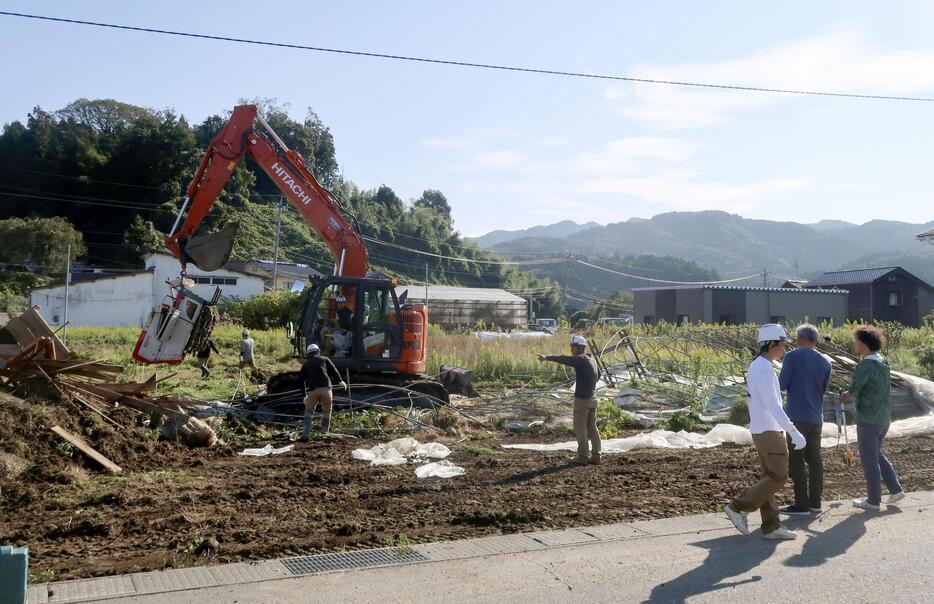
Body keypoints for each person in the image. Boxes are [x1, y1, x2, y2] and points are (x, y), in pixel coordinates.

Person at [725, 324, 807, 540]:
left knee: (768, 478)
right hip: (770, 431)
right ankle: (737, 507)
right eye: (782, 345)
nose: (784, 350)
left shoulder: (760, 366)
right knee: (779, 477)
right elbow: (773, 405)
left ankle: (771, 526)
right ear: (771, 344)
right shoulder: (762, 369)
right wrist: (793, 430)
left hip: (763, 430)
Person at [841, 325, 906, 511]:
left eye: (856, 342)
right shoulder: (883, 362)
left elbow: (853, 391)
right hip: (884, 417)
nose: (855, 345)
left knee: (869, 459)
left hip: (868, 418)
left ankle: (873, 501)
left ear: (864, 344)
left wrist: (844, 395)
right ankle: (895, 489)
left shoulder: (865, 365)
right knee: (876, 453)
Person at [778, 324, 832, 515]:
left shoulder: (792, 357)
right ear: (816, 341)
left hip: (796, 417)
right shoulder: (825, 361)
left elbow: (781, 384)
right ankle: (815, 502)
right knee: (815, 460)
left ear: (799, 339)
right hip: (816, 417)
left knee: (797, 460)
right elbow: (823, 389)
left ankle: (801, 504)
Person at [538, 335, 601, 465]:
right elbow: (599, 375)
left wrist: (547, 357)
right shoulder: (592, 360)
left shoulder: (580, 359)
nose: (571, 349)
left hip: (582, 401)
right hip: (593, 399)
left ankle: (582, 457)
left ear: (580, 348)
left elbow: (564, 359)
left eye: (573, 347)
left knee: (580, 428)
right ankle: (596, 456)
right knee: (592, 428)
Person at [299, 343, 346, 441]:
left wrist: (304, 396)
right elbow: (334, 370)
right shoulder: (325, 359)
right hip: (326, 390)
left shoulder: (306, 364)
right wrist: (340, 381)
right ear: (318, 351)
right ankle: (324, 433)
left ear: (308, 353)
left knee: (308, 411)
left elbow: (301, 381)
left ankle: (305, 435)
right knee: (327, 411)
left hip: (313, 391)